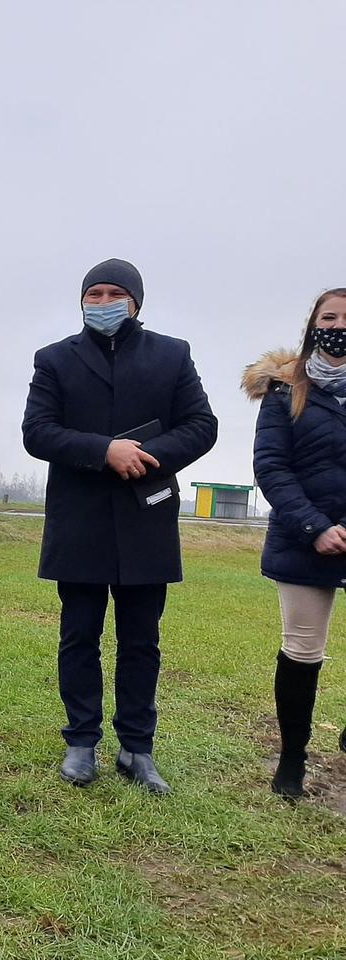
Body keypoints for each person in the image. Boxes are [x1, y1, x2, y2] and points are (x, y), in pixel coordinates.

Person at [22, 258, 217, 794]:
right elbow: (37, 433)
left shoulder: (171, 355)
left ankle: (137, 748)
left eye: (114, 293)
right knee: (79, 635)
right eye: (95, 293)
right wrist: (104, 451)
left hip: (145, 518)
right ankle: (81, 741)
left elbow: (202, 426)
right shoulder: (55, 360)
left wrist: (146, 455)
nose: (103, 302)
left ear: (136, 302)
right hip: (79, 520)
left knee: (141, 641)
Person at [243, 288, 346, 798]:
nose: (339, 326)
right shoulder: (285, 392)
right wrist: (316, 526)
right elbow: (271, 467)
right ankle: (292, 760)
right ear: (312, 327)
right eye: (330, 317)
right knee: (304, 650)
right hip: (303, 538)